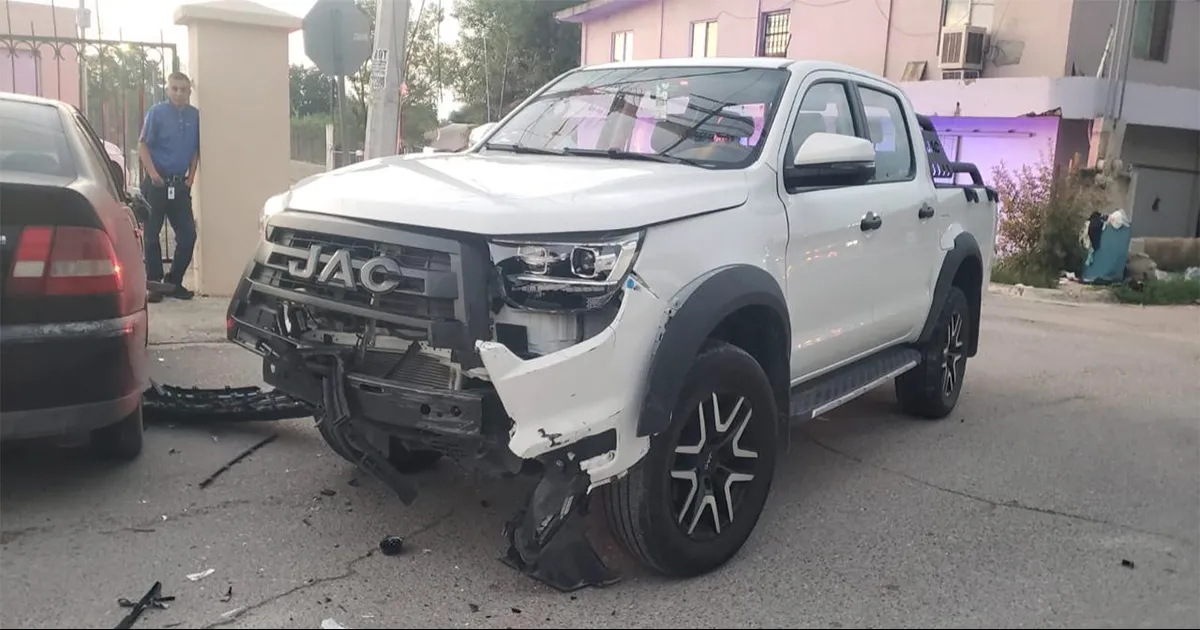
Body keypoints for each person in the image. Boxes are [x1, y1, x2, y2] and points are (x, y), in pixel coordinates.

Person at [138, 71, 200, 300]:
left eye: (183, 89)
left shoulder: (195, 116)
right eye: (174, 88)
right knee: (151, 235)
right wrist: (153, 174)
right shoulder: (157, 113)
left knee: (188, 235)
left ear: (189, 92)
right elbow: (143, 145)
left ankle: (174, 283)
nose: (179, 93)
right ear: (168, 89)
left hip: (179, 186)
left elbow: (196, 149)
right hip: (157, 184)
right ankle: (154, 286)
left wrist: (190, 179)